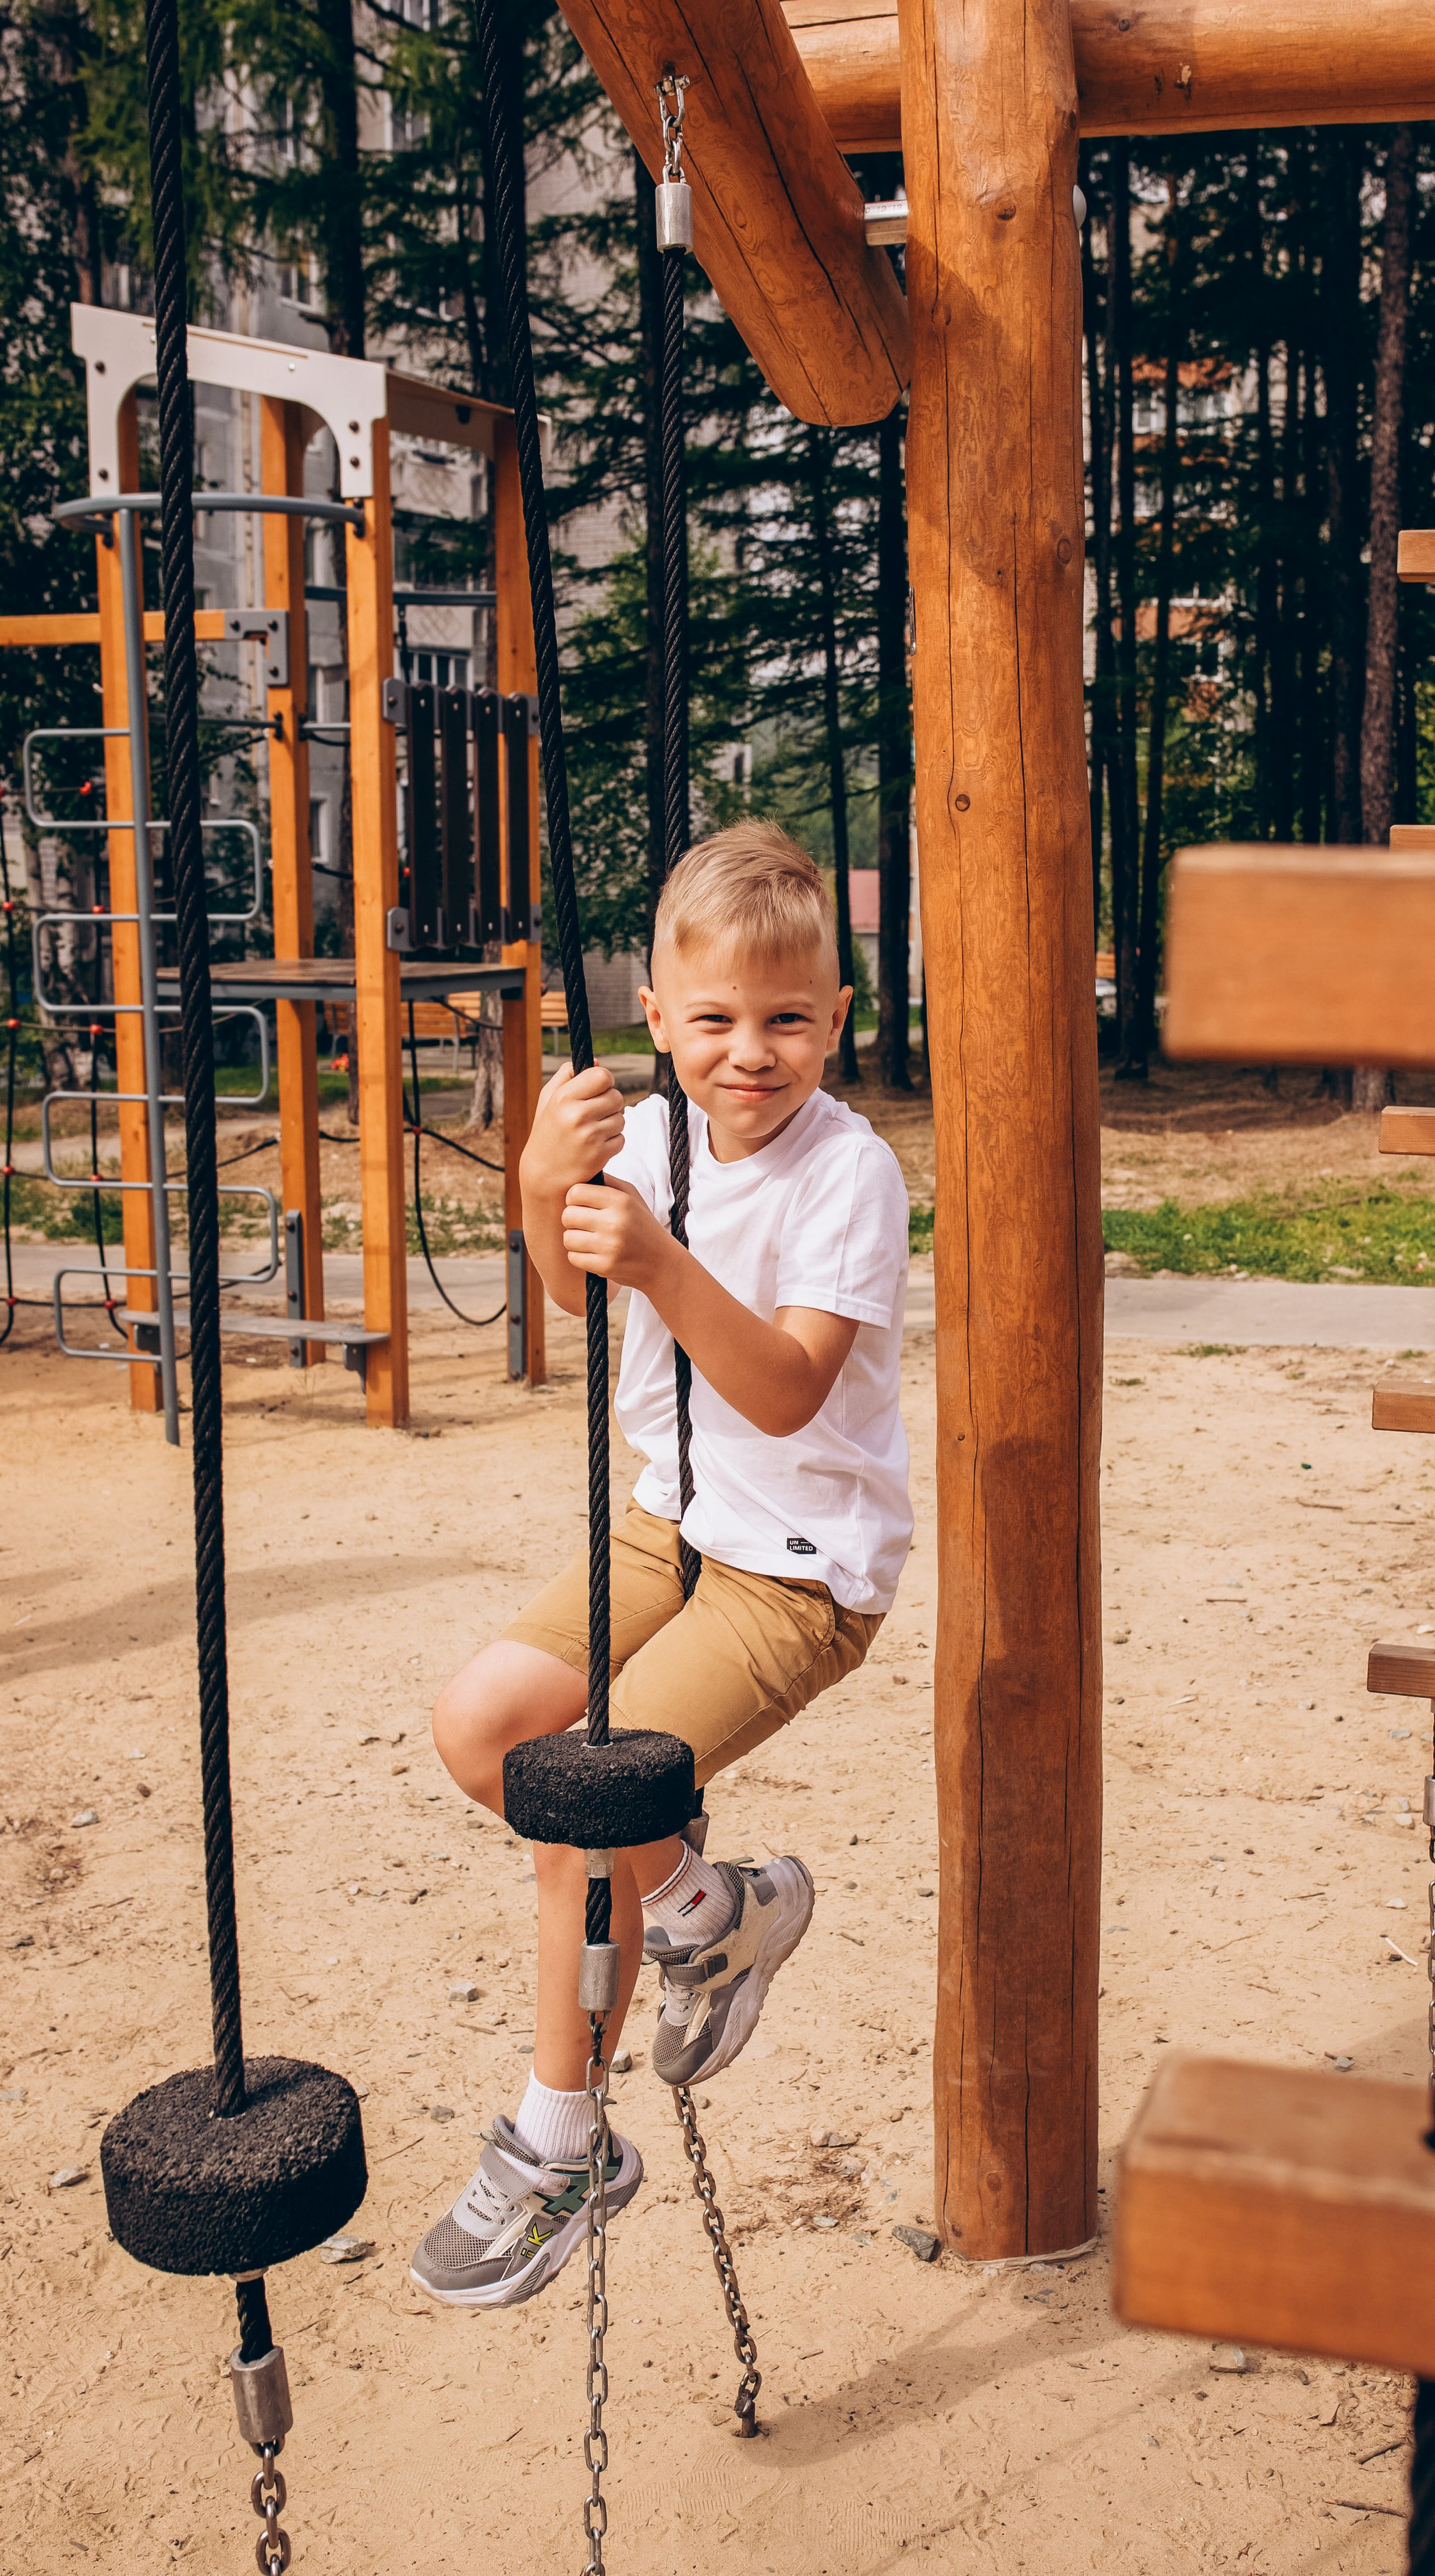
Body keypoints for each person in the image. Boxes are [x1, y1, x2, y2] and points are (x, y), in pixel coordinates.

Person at [410, 821, 912, 2306]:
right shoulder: (643, 1137)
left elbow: (786, 1390)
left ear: (837, 1016)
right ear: (656, 1017)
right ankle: (707, 1909)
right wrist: (538, 1185)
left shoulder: (849, 1174)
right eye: (714, 1020)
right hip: (666, 1526)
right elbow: (575, 1310)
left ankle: (562, 2143)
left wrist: (658, 1261)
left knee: (584, 1804)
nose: (749, 1053)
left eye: (786, 1020)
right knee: (482, 1729)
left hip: (795, 1568)